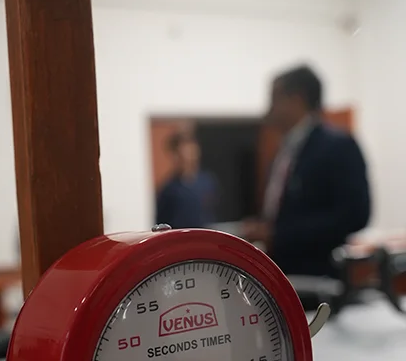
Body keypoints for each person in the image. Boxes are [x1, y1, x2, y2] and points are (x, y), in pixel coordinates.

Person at [243, 66, 370, 276]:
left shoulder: (337, 147)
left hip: (319, 276)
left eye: (275, 99)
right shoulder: (283, 152)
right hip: (282, 272)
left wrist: (278, 234)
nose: (269, 109)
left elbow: (355, 215)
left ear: (297, 99)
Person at [155, 130, 218, 230]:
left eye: (192, 153)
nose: (189, 158)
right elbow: (161, 222)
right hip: (179, 237)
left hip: (205, 235)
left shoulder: (207, 182)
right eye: (183, 154)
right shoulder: (169, 189)